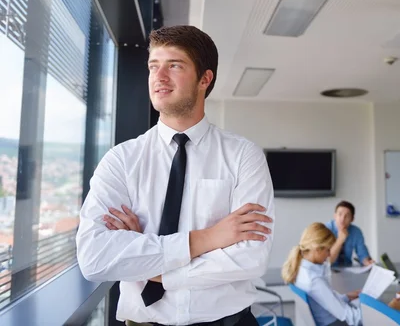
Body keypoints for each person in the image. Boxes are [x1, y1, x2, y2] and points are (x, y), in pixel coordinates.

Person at [76, 25, 275, 326]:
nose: (159, 76)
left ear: (204, 79)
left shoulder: (244, 156)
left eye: (175, 65)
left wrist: (144, 262)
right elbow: (95, 258)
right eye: (153, 66)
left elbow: (250, 258)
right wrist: (207, 239)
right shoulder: (121, 160)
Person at [282, 223, 400, 326]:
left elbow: (323, 300)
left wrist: (346, 296)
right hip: (335, 323)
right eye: (327, 250)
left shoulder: (301, 269)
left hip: (328, 320)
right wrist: (389, 310)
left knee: (361, 303)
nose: (329, 255)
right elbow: (352, 319)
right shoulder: (314, 280)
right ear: (317, 249)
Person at [325, 201, 375, 267]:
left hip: (347, 269)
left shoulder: (356, 232)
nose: (342, 219)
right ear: (335, 216)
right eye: (340, 214)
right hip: (328, 270)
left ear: (352, 219)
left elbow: (362, 254)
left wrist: (367, 262)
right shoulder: (326, 229)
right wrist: (340, 240)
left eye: (347, 216)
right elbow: (328, 261)